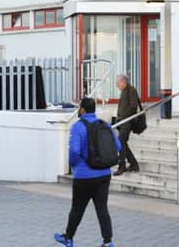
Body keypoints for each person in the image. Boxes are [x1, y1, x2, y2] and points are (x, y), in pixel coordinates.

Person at [54, 97, 120, 247]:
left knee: (77, 208)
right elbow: (119, 146)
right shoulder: (105, 125)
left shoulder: (78, 127)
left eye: (79, 107)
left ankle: (68, 238)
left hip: (84, 176)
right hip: (104, 174)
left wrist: (73, 165)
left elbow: (75, 151)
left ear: (82, 110)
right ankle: (108, 242)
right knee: (102, 208)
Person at [114, 75, 140, 176]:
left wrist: (123, 116)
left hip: (127, 122)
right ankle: (134, 164)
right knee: (122, 143)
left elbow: (133, 107)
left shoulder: (131, 90)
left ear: (123, 82)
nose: (116, 86)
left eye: (117, 83)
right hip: (123, 122)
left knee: (120, 141)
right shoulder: (124, 90)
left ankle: (122, 166)